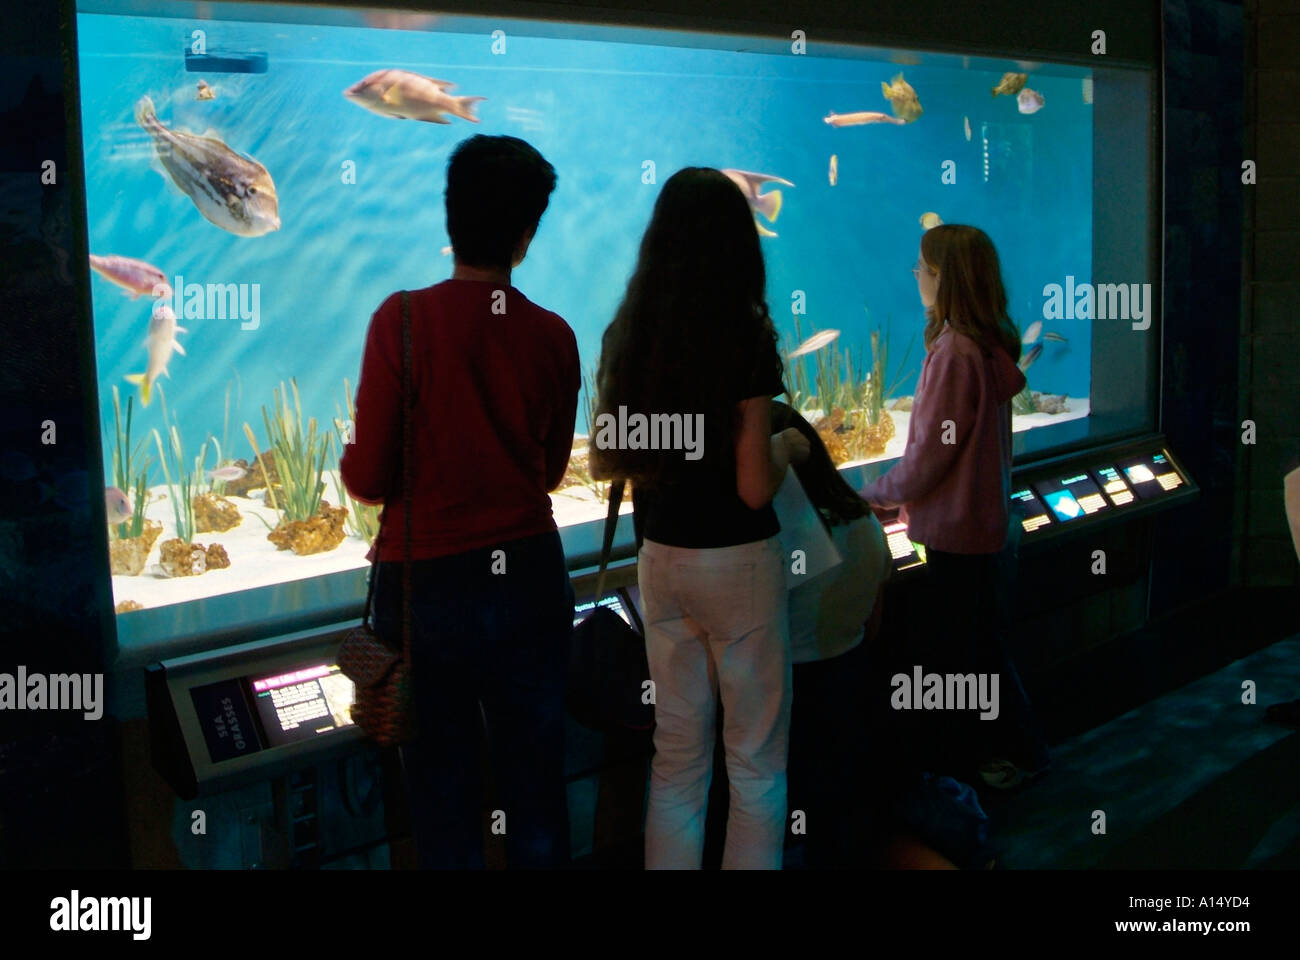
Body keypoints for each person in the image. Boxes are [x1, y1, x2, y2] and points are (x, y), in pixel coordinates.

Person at [340, 135, 579, 868]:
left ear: (449, 222)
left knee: (441, 800)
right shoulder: (553, 336)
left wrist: (350, 459)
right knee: (536, 785)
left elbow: (370, 478)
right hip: (530, 579)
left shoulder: (400, 321)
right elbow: (549, 472)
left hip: (427, 593)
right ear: (526, 235)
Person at [590, 167, 809, 870]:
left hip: (661, 562)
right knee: (755, 766)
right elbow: (751, 488)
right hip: (737, 565)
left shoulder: (630, 332)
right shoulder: (742, 332)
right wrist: (787, 446)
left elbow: (611, 459)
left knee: (678, 759)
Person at [859, 224, 1049, 789]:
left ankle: (970, 769)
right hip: (987, 527)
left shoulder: (953, 354)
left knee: (954, 658)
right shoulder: (990, 349)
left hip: (955, 534)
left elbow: (930, 458)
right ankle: (1018, 752)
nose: (916, 276)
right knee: (982, 646)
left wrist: (874, 494)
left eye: (922, 267)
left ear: (945, 278)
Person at [773, 401, 891, 868]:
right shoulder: (861, 516)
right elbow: (875, 616)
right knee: (837, 806)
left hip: (796, 690)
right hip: (852, 673)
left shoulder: (783, 533)